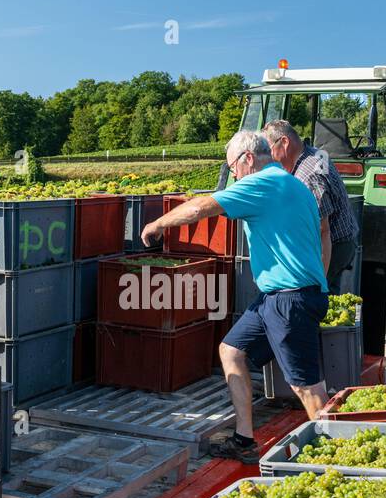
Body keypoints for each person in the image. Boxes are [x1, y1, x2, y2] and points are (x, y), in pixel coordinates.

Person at [141, 130, 329, 462]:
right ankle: (244, 440)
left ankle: (338, 457)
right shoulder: (290, 183)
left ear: (247, 159)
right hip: (277, 296)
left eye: (232, 169)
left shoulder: (263, 183)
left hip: (289, 300)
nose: (233, 177)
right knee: (231, 350)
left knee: (307, 388)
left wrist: (157, 224)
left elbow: (202, 207)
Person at [263, 119, 360, 288]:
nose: (268, 157)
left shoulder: (308, 177)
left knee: (317, 298)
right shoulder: (314, 153)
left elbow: (323, 232)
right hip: (342, 241)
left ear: (284, 142)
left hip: (333, 247)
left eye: (269, 149)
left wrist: (317, 281)